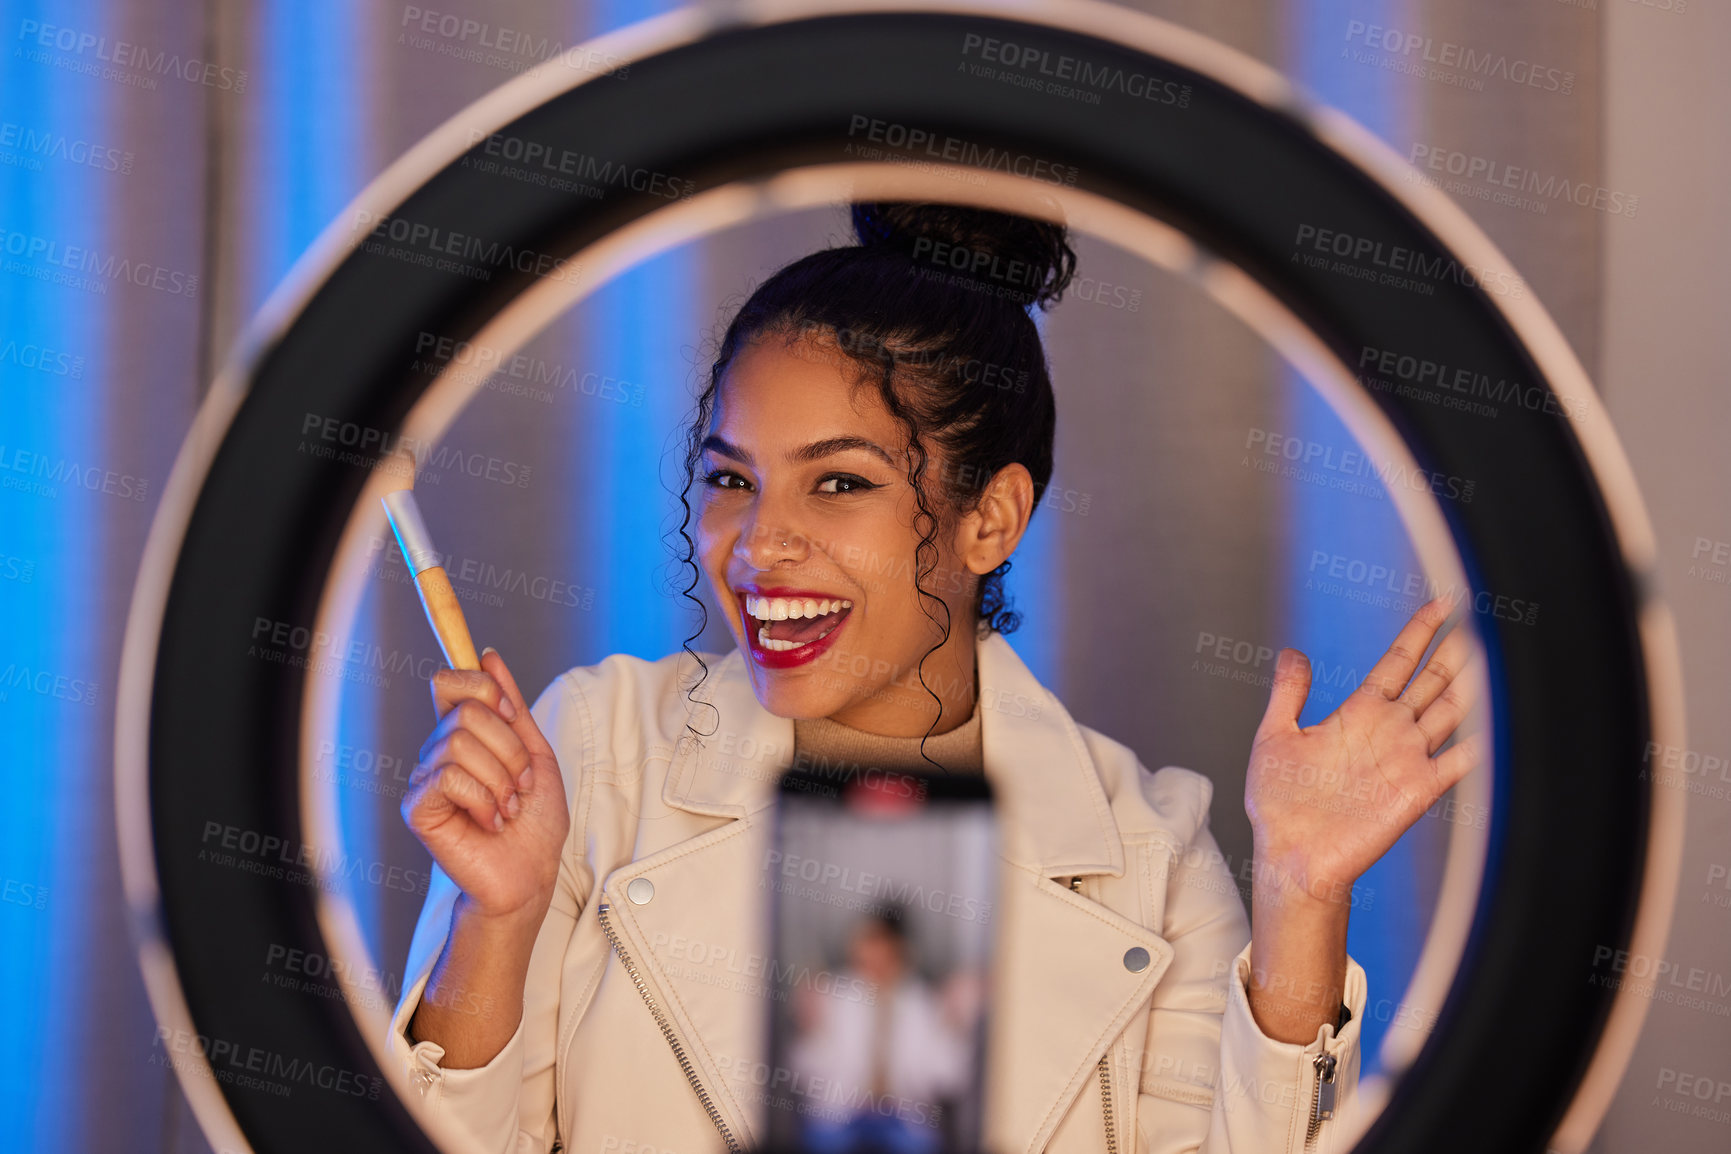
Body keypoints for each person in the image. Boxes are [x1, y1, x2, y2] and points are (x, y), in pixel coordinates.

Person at [385, 201, 1483, 1154]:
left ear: (989, 518)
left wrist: (1301, 895)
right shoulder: (589, 755)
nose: (758, 545)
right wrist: (501, 914)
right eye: (731, 477)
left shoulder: (1151, 850)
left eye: (839, 483)